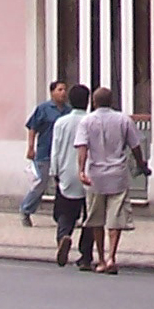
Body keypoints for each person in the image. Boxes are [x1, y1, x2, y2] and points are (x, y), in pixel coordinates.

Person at [74, 84, 147, 274]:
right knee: (115, 219)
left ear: (93, 102)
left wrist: (81, 170)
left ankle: (100, 258)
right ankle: (112, 256)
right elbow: (135, 146)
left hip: (95, 175)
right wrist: (142, 165)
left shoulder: (86, 122)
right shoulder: (123, 120)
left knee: (96, 219)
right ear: (112, 101)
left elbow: (82, 147)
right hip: (118, 175)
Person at [48, 84, 94, 270]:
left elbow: (56, 150)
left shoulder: (61, 123)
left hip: (67, 172)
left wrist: (55, 172)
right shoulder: (92, 121)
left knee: (65, 212)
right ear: (88, 101)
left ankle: (63, 237)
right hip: (90, 174)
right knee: (90, 216)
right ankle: (85, 255)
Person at [20, 79, 69, 226]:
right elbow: (32, 127)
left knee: (64, 185)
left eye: (64, 89)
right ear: (52, 92)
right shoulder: (44, 109)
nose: (63, 93)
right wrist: (30, 147)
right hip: (45, 151)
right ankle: (26, 210)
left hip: (63, 153)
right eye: (59, 90)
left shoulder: (68, 110)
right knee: (40, 184)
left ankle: (64, 215)